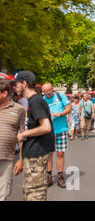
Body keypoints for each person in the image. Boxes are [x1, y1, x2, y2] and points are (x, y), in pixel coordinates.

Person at [13, 71, 55, 201]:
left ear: (24, 83)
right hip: (31, 154)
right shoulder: (31, 101)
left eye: (16, 84)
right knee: (30, 192)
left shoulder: (36, 101)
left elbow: (46, 127)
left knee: (35, 195)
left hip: (36, 154)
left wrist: (23, 134)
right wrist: (21, 158)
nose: (14, 88)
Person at [41, 83, 71, 189]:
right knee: (49, 154)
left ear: (52, 90)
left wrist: (60, 114)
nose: (47, 95)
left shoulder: (60, 96)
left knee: (60, 153)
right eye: (44, 93)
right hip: (48, 130)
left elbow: (69, 108)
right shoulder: (43, 100)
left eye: (48, 92)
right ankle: (49, 176)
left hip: (61, 129)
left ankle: (60, 177)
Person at [0, 79, 25, 201]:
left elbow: (22, 135)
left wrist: (21, 159)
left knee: (3, 194)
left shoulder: (19, 109)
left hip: (6, 159)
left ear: (4, 93)